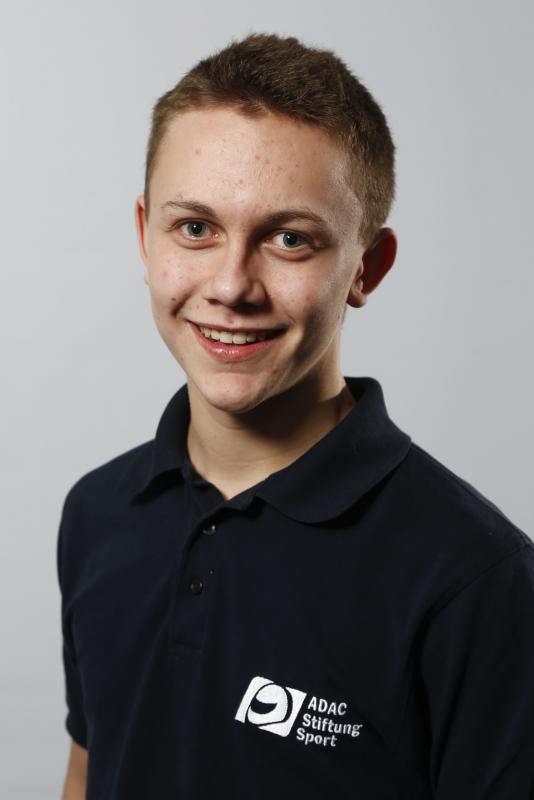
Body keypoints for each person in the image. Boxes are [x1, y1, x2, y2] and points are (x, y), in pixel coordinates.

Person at [57, 32, 534, 799]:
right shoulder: (96, 513)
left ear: (366, 267)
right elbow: (89, 771)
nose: (231, 286)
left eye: (289, 239)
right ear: (146, 235)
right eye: (195, 228)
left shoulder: (478, 581)